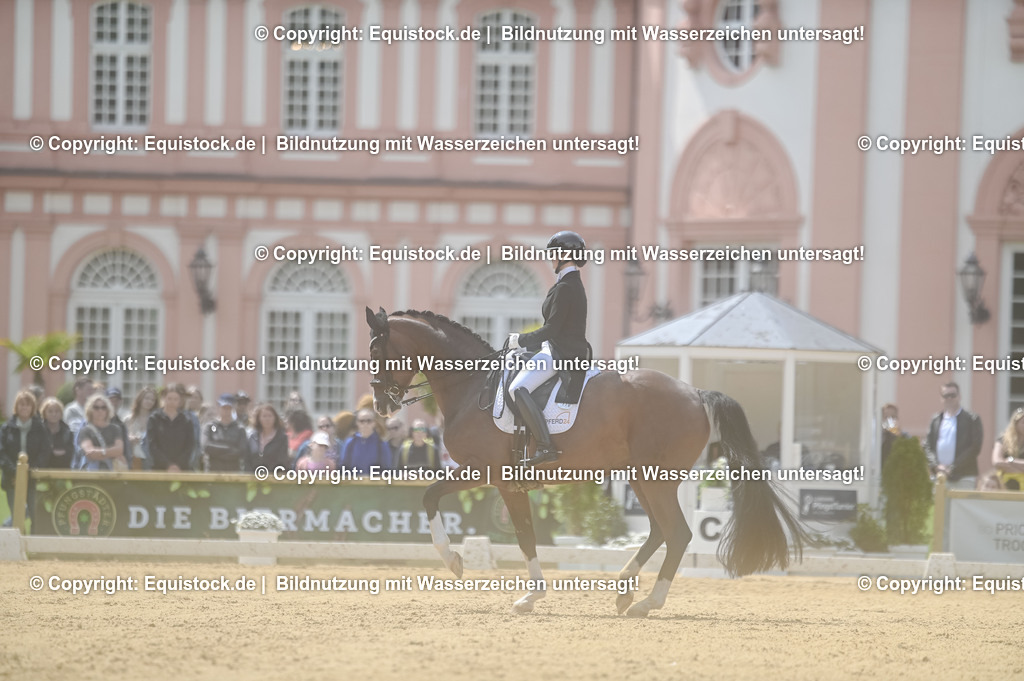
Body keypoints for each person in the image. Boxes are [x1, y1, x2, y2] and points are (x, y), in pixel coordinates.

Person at [507, 230, 590, 466]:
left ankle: (545, 447)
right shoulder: (567, 283)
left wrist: (520, 340)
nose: (551, 258)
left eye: (554, 254)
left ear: (565, 254)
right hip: (556, 348)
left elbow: (552, 329)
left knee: (518, 388)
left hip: (561, 353)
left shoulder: (567, 287)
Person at [0, 391, 51, 524]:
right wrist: (14, 472)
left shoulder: (39, 428)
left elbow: (45, 451)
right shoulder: (6, 428)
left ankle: (32, 542)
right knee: (16, 515)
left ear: (32, 407)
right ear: (16, 407)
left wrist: (30, 471)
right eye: (21, 404)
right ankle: (15, 542)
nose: (24, 408)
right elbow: (1, 452)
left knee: (34, 515)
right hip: (11, 479)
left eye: (28, 405)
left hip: (32, 478)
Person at [924, 382, 983, 490]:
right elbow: (927, 446)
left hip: (964, 476)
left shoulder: (972, 419)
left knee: (961, 507)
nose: (949, 398)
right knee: (938, 507)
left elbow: (975, 448)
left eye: (953, 395)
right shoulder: (936, 419)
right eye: (946, 396)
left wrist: (952, 468)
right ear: (941, 398)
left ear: (959, 396)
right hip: (939, 476)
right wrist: (937, 466)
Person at [147, 384, 196, 472]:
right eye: (169, 398)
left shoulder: (186, 420)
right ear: (163, 398)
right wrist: (168, 465)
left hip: (182, 469)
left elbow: (189, 446)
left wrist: (178, 465)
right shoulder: (154, 419)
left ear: (180, 401)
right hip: (159, 468)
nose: (172, 402)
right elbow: (152, 445)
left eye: (175, 399)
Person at [76, 394, 127, 472]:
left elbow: (119, 450)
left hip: (112, 472)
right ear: (90, 410)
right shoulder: (85, 430)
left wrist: (100, 452)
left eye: (103, 407)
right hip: (91, 472)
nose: (100, 410)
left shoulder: (115, 429)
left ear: (108, 410)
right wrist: (111, 453)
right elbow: (90, 452)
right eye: (96, 407)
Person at [203, 394, 248, 472]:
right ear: (219, 408)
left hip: (233, 472)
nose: (226, 411)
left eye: (229, 408)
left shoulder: (239, 429)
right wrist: (229, 449)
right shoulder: (210, 427)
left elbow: (241, 451)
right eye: (224, 408)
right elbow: (206, 446)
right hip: (213, 471)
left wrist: (217, 452)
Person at [341, 409, 391, 473]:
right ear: (357, 423)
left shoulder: (382, 444)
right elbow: (343, 467)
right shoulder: (350, 443)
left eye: (369, 421)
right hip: (354, 482)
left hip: (375, 482)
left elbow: (387, 469)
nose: (365, 424)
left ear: (374, 423)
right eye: (362, 421)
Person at [246, 403, 290, 473]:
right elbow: (247, 459)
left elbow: (283, 461)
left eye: (270, 416)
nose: (267, 419)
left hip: (274, 478)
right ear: (259, 419)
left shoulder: (282, 438)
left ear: (275, 418)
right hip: (253, 478)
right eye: (264, 416)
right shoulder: (252, 437)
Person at [125, 387, 158, 470]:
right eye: (147, 398)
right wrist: (130, 438)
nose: (149, 402)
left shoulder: (156, 421)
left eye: (152, 400)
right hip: (133, 459)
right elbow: (121, 439)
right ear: (140, 399)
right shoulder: (129, 419)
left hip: (151, 461)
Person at [38, 397, 74, 470]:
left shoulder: (67, 432)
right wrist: (52, 452)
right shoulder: (39, 431)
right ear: (44, 413)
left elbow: (70, 452)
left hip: (62, 471)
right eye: (50, 411)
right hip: (42, 471)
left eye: (57, 411)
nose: (54, 414)